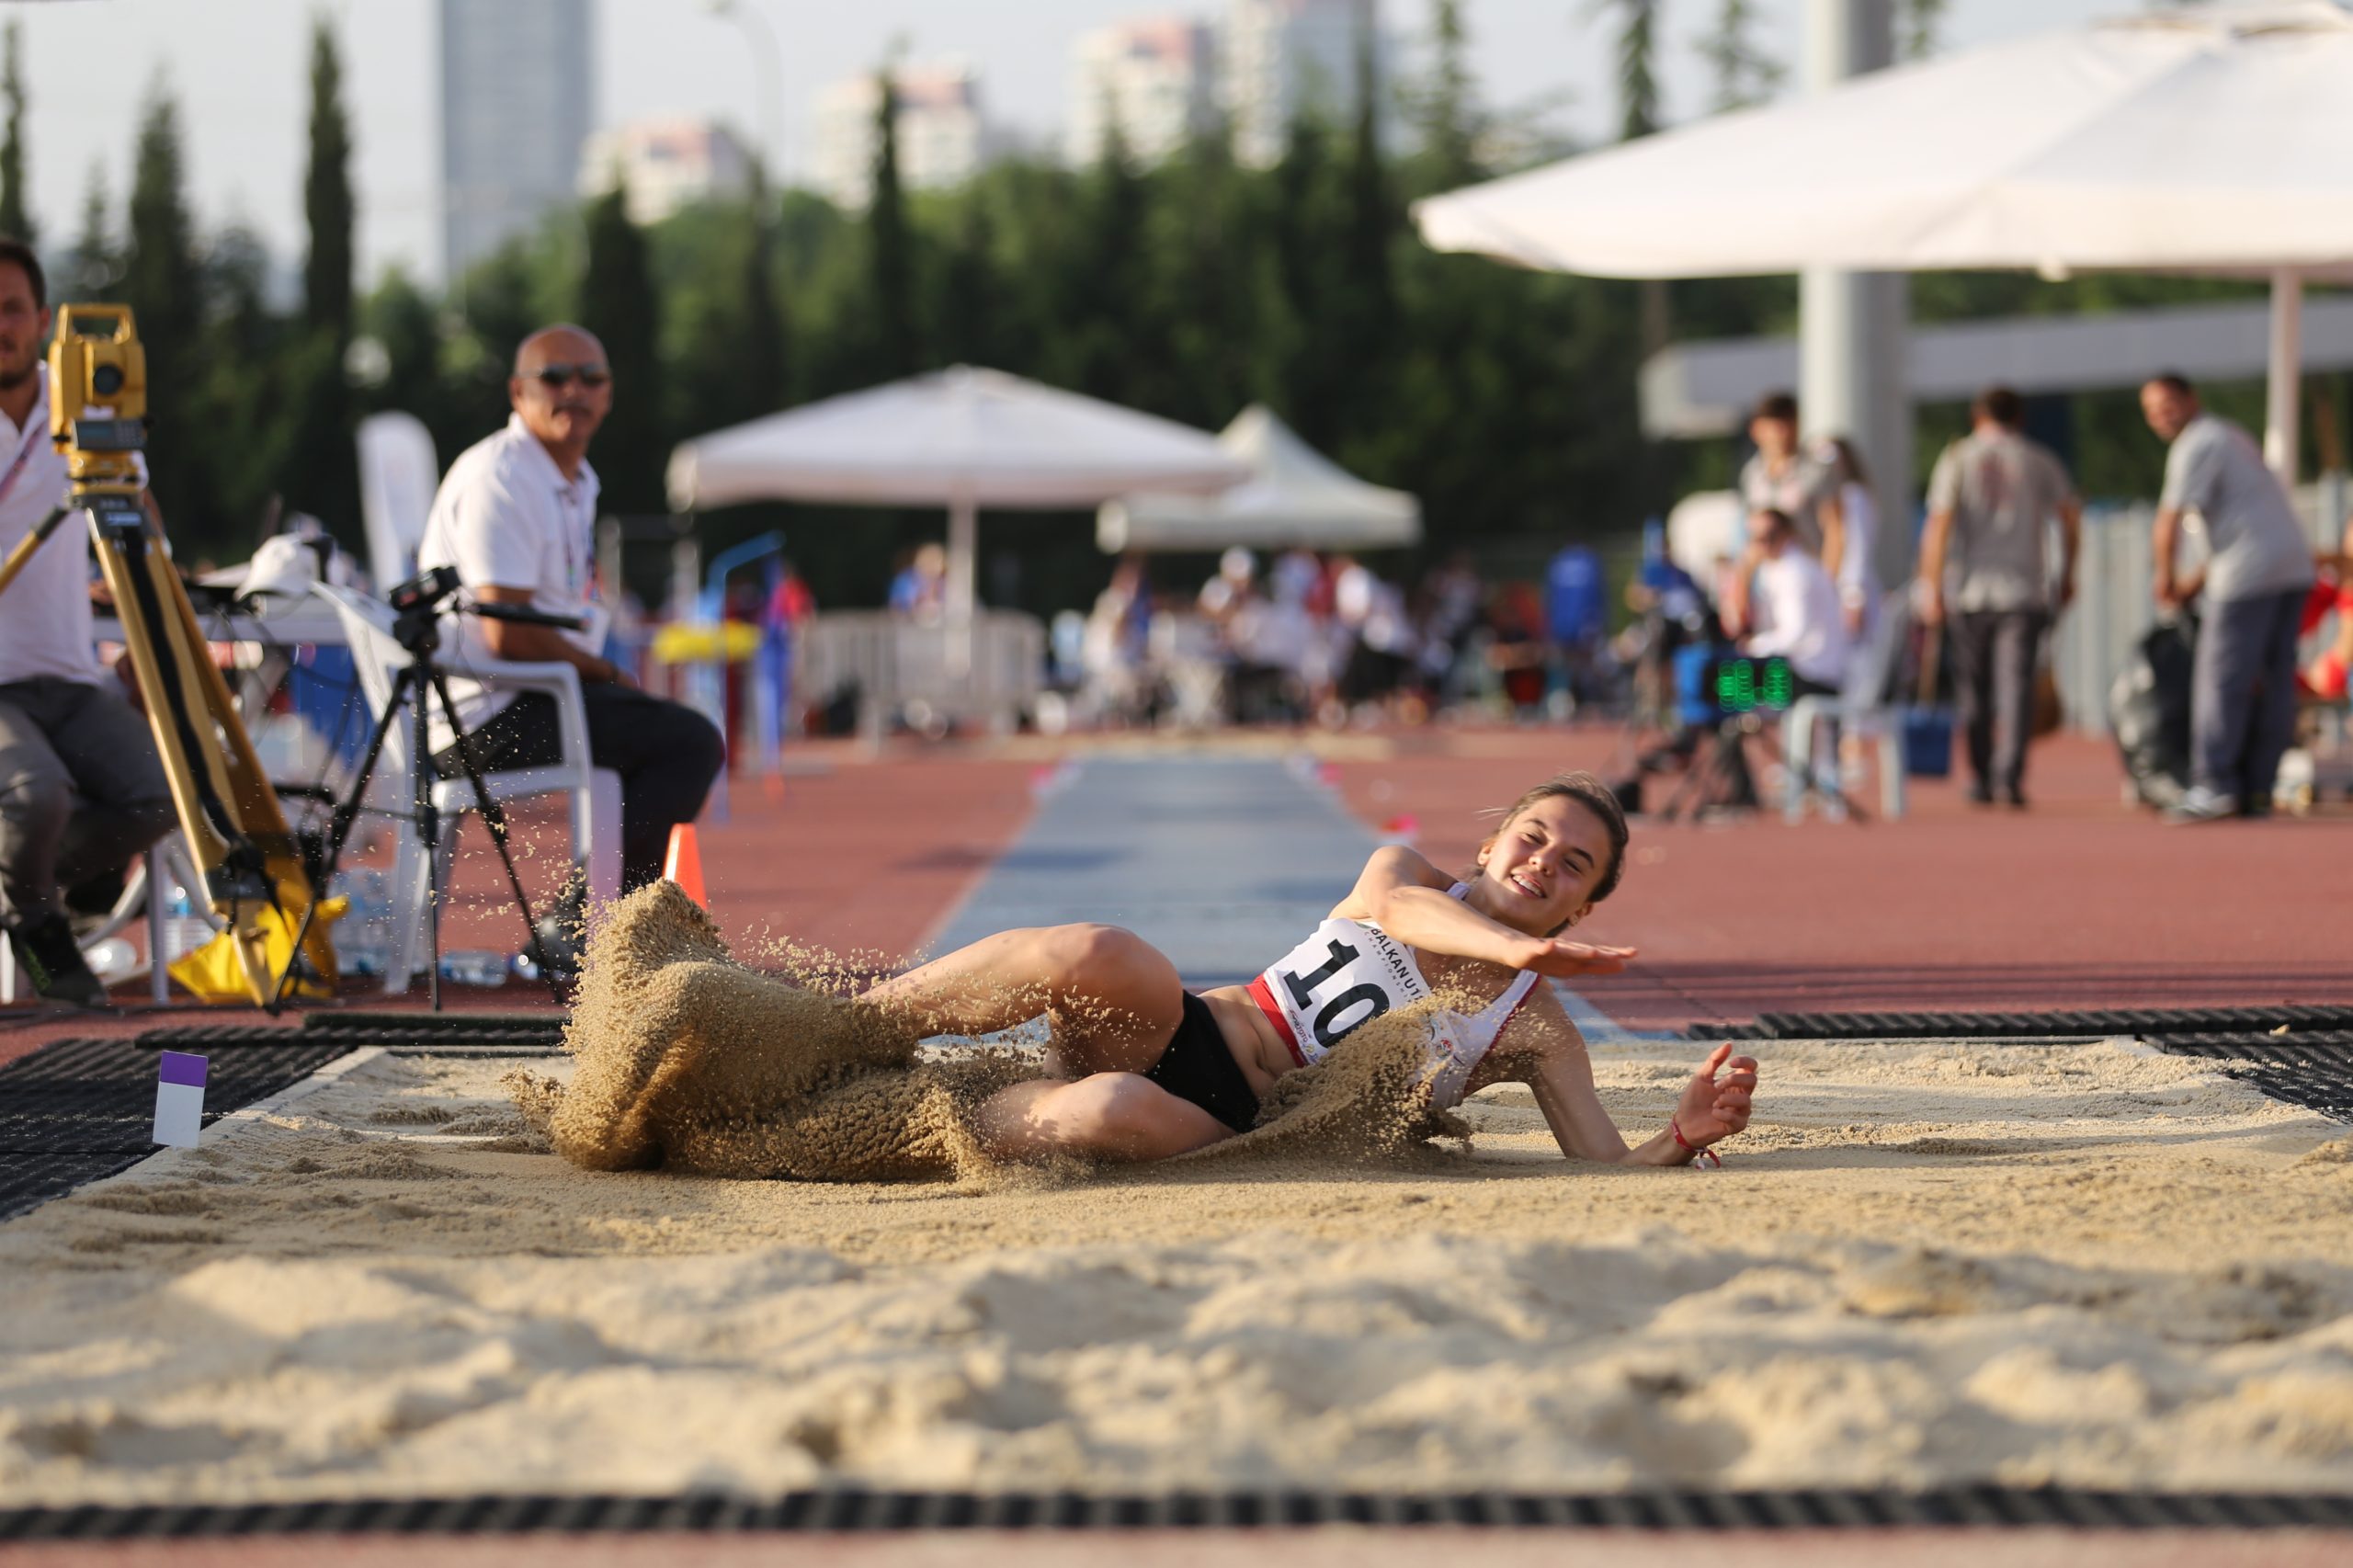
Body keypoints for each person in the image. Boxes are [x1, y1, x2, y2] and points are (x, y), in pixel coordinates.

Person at [861, 773, 1758, 1165]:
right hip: (1194, 1026)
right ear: (1490, 844)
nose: (1543, 862)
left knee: (1109, 1107)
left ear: (1583, 909)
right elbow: (1402, 915)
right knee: (1101, 949)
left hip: (1243, 1121)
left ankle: (899, 1134)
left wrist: (1681, 1136)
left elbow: (1599, 1161)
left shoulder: (1535, 1026)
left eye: (1572, 865)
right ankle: (858, 1023)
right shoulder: (1401, 871)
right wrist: (1514, 943)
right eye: (1534, 838)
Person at [416, 324, 724, 958]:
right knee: (689, 743)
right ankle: (588, 931)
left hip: (530, 695)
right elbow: (508, 636)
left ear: (610, 393)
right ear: (519, 392)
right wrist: (601, 672)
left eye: (592, 378)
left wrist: (594, 671)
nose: (575, 391)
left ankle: (584, 923)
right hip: (480, 715)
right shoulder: (502, 477)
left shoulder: (575, 479)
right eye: (555, 378)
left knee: (675, 738)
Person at [0, 237, 175, 1007]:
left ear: (42, 319)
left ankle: (19, 884)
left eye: (10, 308)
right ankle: (36, 925)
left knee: (164, 791)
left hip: (70, 677)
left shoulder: (85, 397)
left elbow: (138, 512)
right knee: (38, 799)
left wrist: (144, 601)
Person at [2139, 373, 2317, 823]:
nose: (2162, 417)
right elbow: (2240, 522)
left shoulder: (2194, 444)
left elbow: (2168, 522)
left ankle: (2214, 784)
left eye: (2168, 405)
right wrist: (2194, 583)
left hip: (2248, 575)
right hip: (2292, 563)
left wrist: (2164, 579)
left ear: (2191, 399)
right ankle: (2258, 787)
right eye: (2152, 411)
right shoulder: (2231, 435)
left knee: (2222, 679)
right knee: (2276, 679)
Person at [1916, 386, 2082, 808]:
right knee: (2016, 686)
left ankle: (1981, 773)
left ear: (1976, 417)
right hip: (2024, 588)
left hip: (1971, 589)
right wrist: (2068, 573)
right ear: (2019, 418)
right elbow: (2069, 516)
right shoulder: (2038, 458)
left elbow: (1938, 525)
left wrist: (1930, 585)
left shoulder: (1957, 458)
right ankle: (2009, 775)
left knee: (1975, 690)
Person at [1738, 392, 1845, 577]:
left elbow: (1835, 531)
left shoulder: (1816, 472)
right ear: (1757, 430)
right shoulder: (1752, 475)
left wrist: (1828, 581)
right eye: (1776, 427)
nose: (1784, 434)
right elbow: (1752, 532)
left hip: (1807, 573)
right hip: (1768, 580)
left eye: (1789, 425)